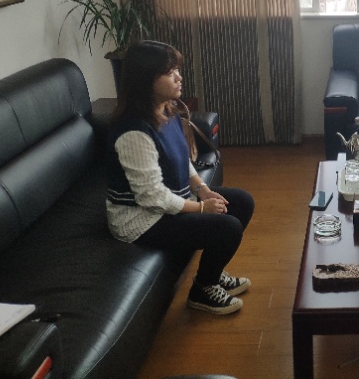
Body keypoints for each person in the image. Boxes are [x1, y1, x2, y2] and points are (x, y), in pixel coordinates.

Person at [106, 40, 255, 316]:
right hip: (141, 219)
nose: (179, 77)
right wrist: (200, 208)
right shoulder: (133, 132)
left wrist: (202, 189)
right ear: (146, 79)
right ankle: (203, 290)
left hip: (167, 202)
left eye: (177, 69)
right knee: (228, 227)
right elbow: (152, 198)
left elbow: (180, 157)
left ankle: (212, 274)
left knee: (242, 202)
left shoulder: (166, 110)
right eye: (169, 72)